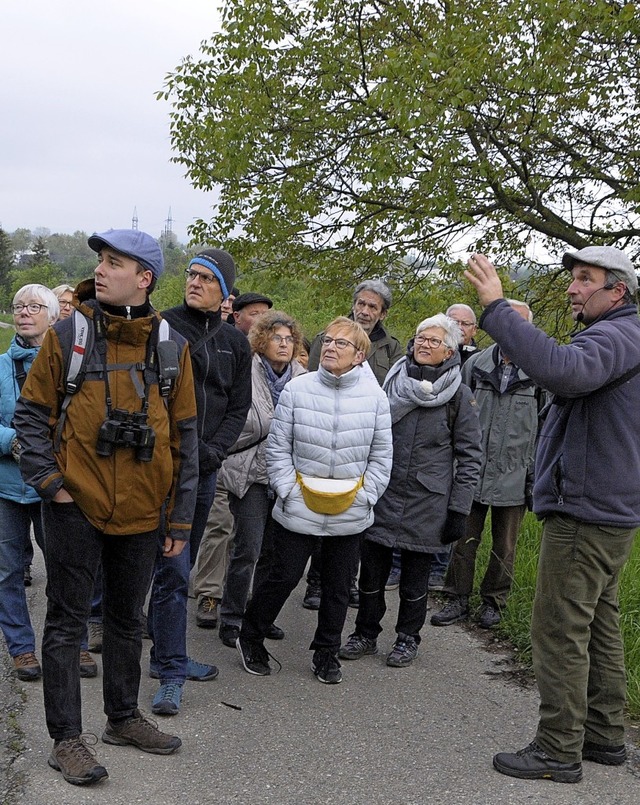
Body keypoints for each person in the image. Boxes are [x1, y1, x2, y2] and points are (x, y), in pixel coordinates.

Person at [14, 229, 199, 786]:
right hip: (77, 505)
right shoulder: (68, 336)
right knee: (68, 624)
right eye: (100, 260)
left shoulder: (171, 346)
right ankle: (66, 739)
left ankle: (122, 718)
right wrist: (53, 485)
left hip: (145, 510)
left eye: (114, 262)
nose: (101, 270)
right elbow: (31, 417)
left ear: (144, 278)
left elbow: (185, 437)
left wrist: (180, 516)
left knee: (126, 620)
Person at [464, 246, 640, 784]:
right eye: (572, 279)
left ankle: (558, 749)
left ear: (618, 290)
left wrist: (495, 308)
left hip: (587, 511)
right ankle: (605, 736)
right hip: (609, 507)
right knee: (599, 623)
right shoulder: (623, 334)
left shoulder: (615, 336)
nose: (571, 288)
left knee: (560, 628)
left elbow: (562, 371)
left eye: (585, 279)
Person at [236, 317, 392, 684]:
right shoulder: (297, 390)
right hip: (299, 502)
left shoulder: (375, 398)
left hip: (350, 507)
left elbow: (382, 457)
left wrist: (366, 496)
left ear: (359, 356)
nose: (331, 347)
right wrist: (288, 491)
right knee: (283, 576)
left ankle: (326, 653)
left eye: (342, 344)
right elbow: (278, 449)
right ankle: (251, 635)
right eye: (328, 341)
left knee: (338, 586)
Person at [339, 314, 481, 667]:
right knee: (371, 574)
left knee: (415, 582)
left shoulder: (458, 397)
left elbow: (470, 458)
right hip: (383, 493)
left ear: (450, 352)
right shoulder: (391, 382)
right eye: (420, 337)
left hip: (428, 502)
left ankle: (407, 638)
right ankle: (365, 633)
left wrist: (459, 511)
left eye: (434, 341)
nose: (424, 344)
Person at [148, 248, 251, 715]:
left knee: (176, 569)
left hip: (202, 472)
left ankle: (169, 666)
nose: (194, 283)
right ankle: (147, 650)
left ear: (224, 291)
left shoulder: (236, 342)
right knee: (144, 567)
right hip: (152, 470)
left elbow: (237, 407)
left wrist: (211, 454)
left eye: (206, 278)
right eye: (190, 275)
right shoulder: (160, 327)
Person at [431, 300, 539, 630]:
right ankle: (456, 599)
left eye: (520, 324)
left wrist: (534, 474)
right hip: (473, 470)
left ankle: (494, 602)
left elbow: (547, 427)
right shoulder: (476, 364)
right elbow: (455, 415)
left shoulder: (539, 371)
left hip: (515, 472)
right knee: (462, 540)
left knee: (504, 547)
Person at [305, 280, 404, 608]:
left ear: (383, 313)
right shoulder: (329, 337)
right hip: (327, 433)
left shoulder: (392, 348)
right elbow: (310, 383)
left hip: (364, 438)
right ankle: (316, 583)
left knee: (356, 513)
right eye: (361, 303)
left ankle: (345, 583)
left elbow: (393, 393)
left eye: (372, 307)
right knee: (324, 507)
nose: (364, 310)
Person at [216, 310, 306, 647]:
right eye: (276, 337)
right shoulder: (245, 370)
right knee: (248, 548)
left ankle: (260, 617)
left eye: (289, 339)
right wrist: (274, 426)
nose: (283, 344)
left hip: (285, 476)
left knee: (274, 552)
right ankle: (232, 616)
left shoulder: (302, 376)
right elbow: (234, 420)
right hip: (249, 471)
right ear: (261, 340)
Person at [192, 289, 273, 630]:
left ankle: (244, 601)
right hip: (223, 454)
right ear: (237, 316)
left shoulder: (284, 364)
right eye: (253, 313)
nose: (261, 321)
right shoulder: (225, 347)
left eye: (266, 315)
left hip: (262, 466)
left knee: (253, 539)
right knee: (219, 525)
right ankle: (209, 592)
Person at [0, 285, 59, 682]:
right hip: (6, 485)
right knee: (5, 571)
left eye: (35, 306)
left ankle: (71, 644)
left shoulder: (65, 364)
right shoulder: (1, 365)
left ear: (53, 317)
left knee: (64, 567)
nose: (24, 312)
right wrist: (14, 441)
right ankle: (21, 648)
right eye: (19, 306)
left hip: (54, 483)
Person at [426, 302, 482, 591]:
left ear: (473, 330)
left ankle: (438, 569)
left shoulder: (477, 362)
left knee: (447, 508)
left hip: (454, 444)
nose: (458, 327)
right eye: (452, 321)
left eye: (465, 323)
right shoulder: (408, 369)